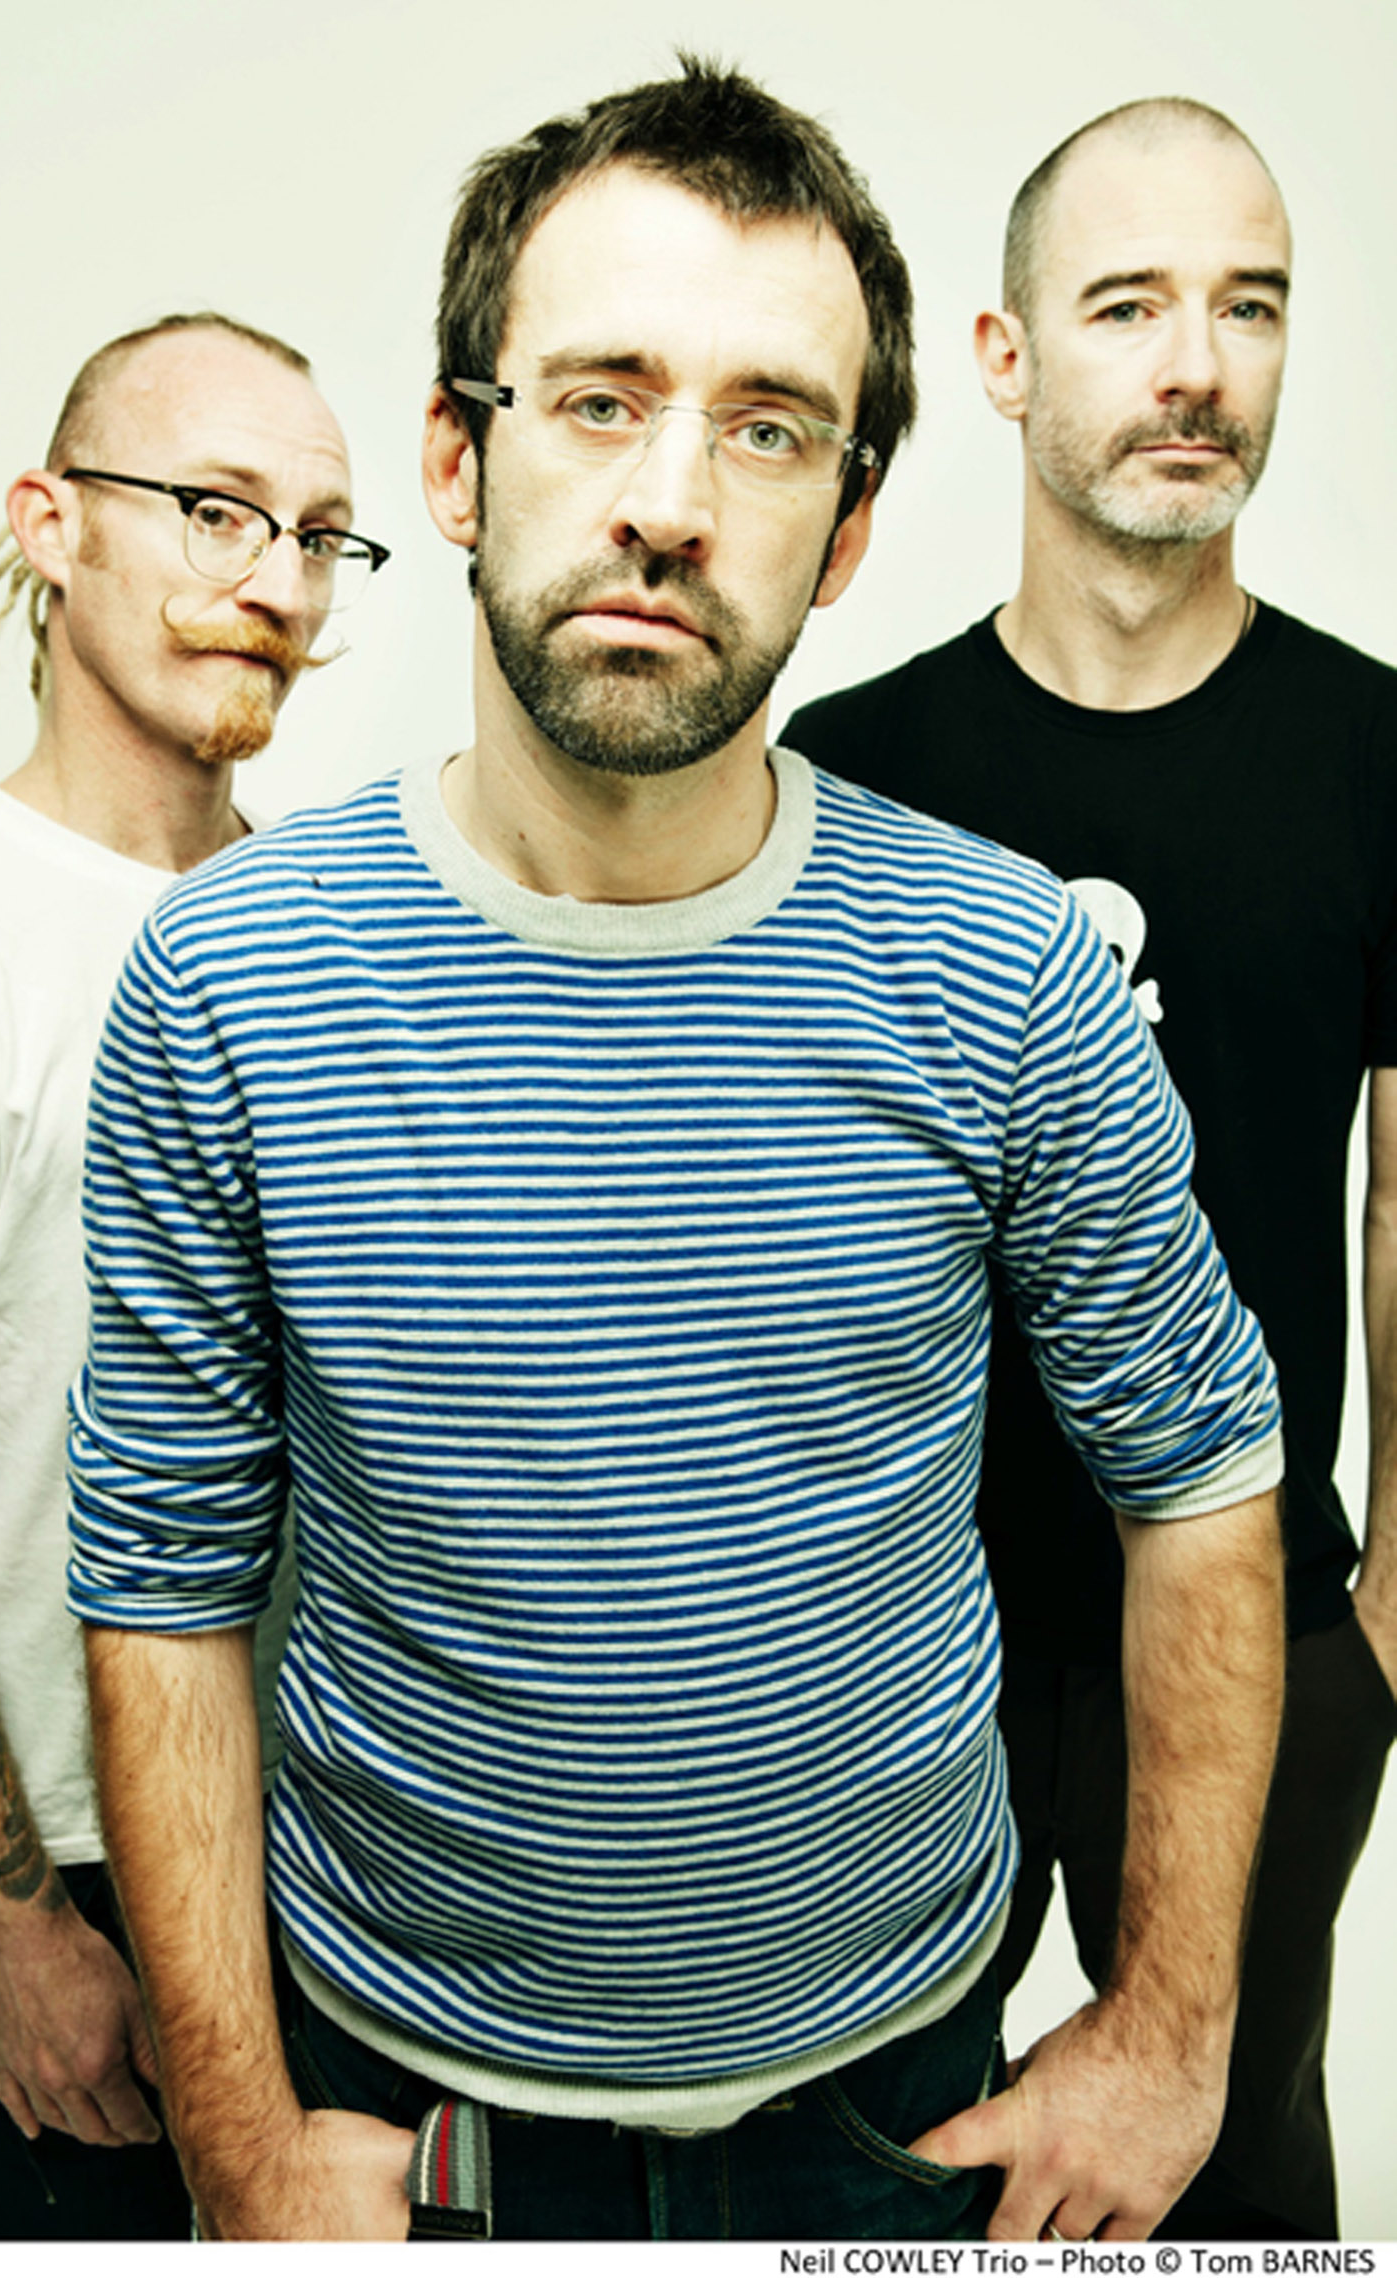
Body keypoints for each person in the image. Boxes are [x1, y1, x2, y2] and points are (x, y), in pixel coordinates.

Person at [67, 62, 1286, 2246]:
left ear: (849, 527)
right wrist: (237, 2137)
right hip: (400, 2107)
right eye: (600, 399)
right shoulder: (229, 978)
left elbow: (1200, 1481)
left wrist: (1174, 2033)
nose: (668, 500)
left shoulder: (1006, 966)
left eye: (768, 426)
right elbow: (161, 1575)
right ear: (458, 458)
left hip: (897, 2094)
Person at [783, 97, 1397, 2241]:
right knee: (868, 2174)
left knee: (1231, 2170)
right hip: (901, 1622)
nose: (1195, 365)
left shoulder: (1377, 756)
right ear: (1005, 353)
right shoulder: (849, 775)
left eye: (1249, 306)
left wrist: (1393, 1604)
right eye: (1129, 305)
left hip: (1253, 1621)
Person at [0, 309, 389, 2241]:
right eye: (215, 510)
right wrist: (15, 1923)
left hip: (360, 1854)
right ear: (53, 522)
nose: (276, 582)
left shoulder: (333, 928)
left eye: (319, 535)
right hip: (85, 1875)